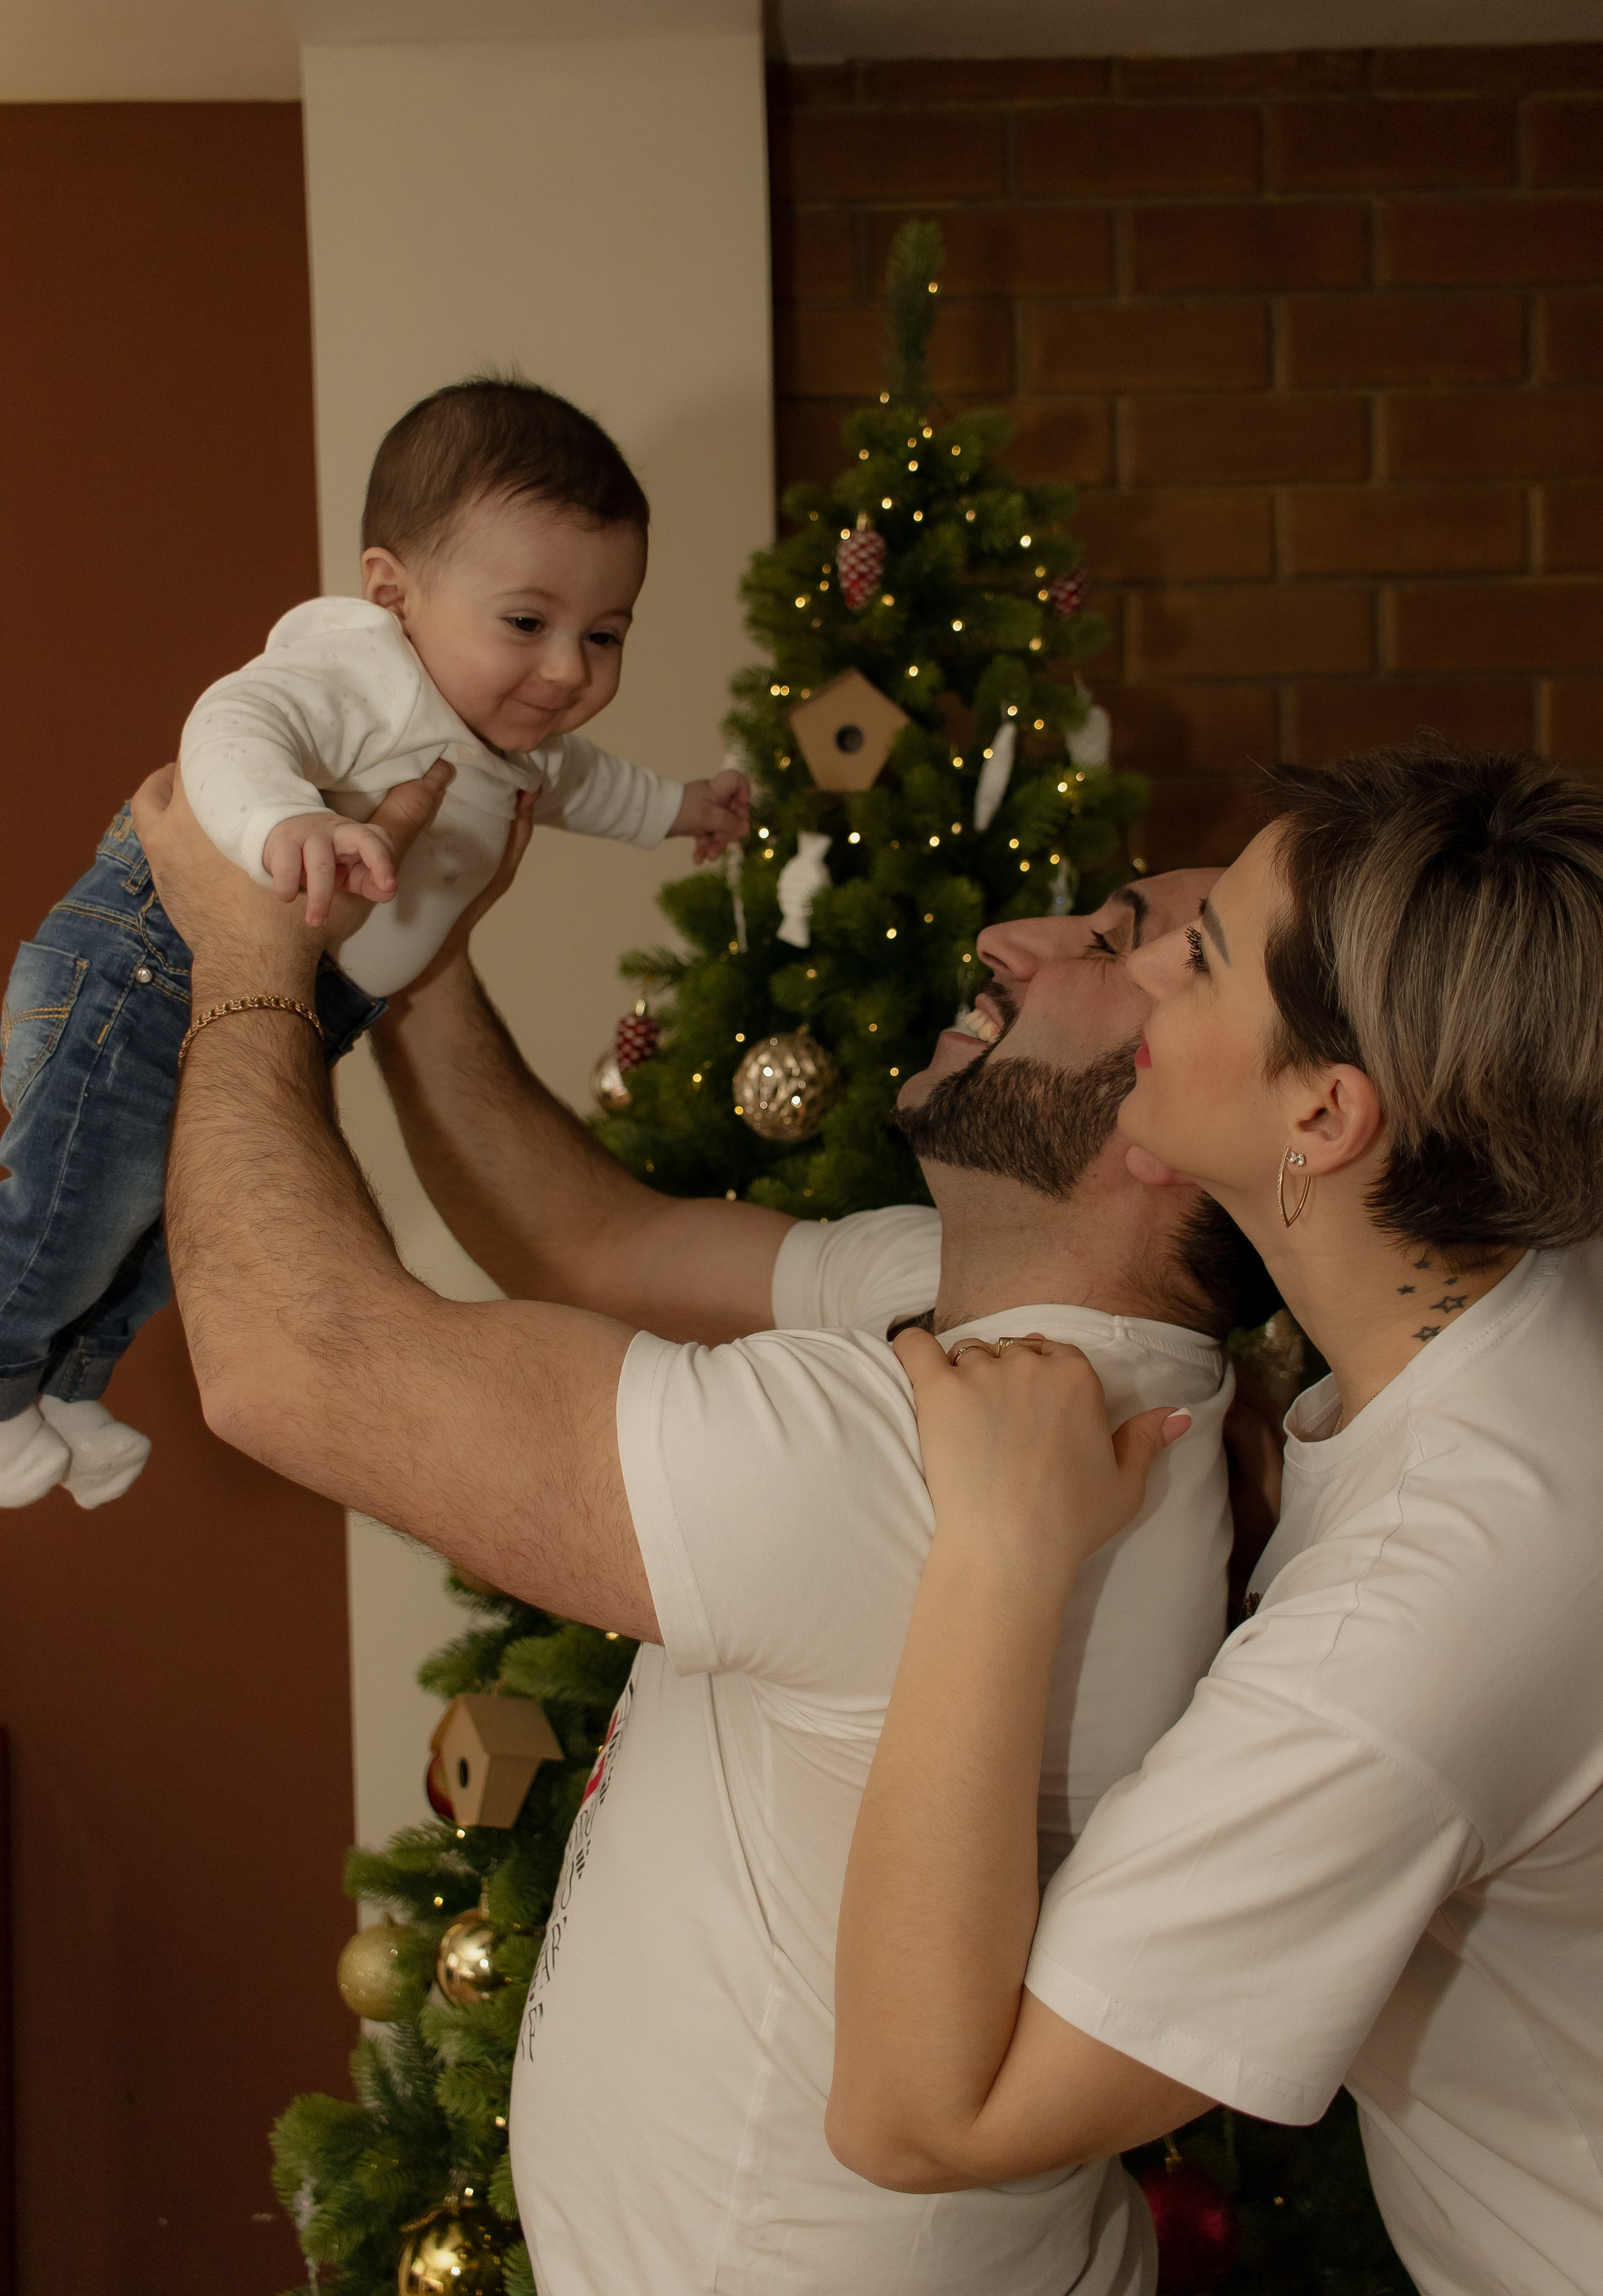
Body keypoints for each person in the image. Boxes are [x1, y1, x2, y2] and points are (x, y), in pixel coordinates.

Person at [131, 749, 1274, 2296]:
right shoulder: (968, 1316)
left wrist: (244, 967)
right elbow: (586, 1239)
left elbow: (286, 1364)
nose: (1015, 937)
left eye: (1124, 942)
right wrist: (425, 962)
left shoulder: (922, 1454)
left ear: (1188, 1117)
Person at [828, 745, 1603, 2296]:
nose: (1143, 975)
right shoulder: (1533, 1267)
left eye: (1201, 958)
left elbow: (928, 2115)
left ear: (1320, 1114)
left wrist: (997, 1550)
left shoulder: (1416, 1617)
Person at [0, 376, 747, 1510]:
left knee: (167, 1223)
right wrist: (279, 823)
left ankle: (66, 1383)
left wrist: (682, 808)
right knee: (75, 1198)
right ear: (394, 594)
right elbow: (236, 721)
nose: (566, 672)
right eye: (527, 624)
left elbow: (590, 784)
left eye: (604, 635)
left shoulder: (512, 731)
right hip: (154, 965)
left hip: (302, 1007)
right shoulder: (365, 671)